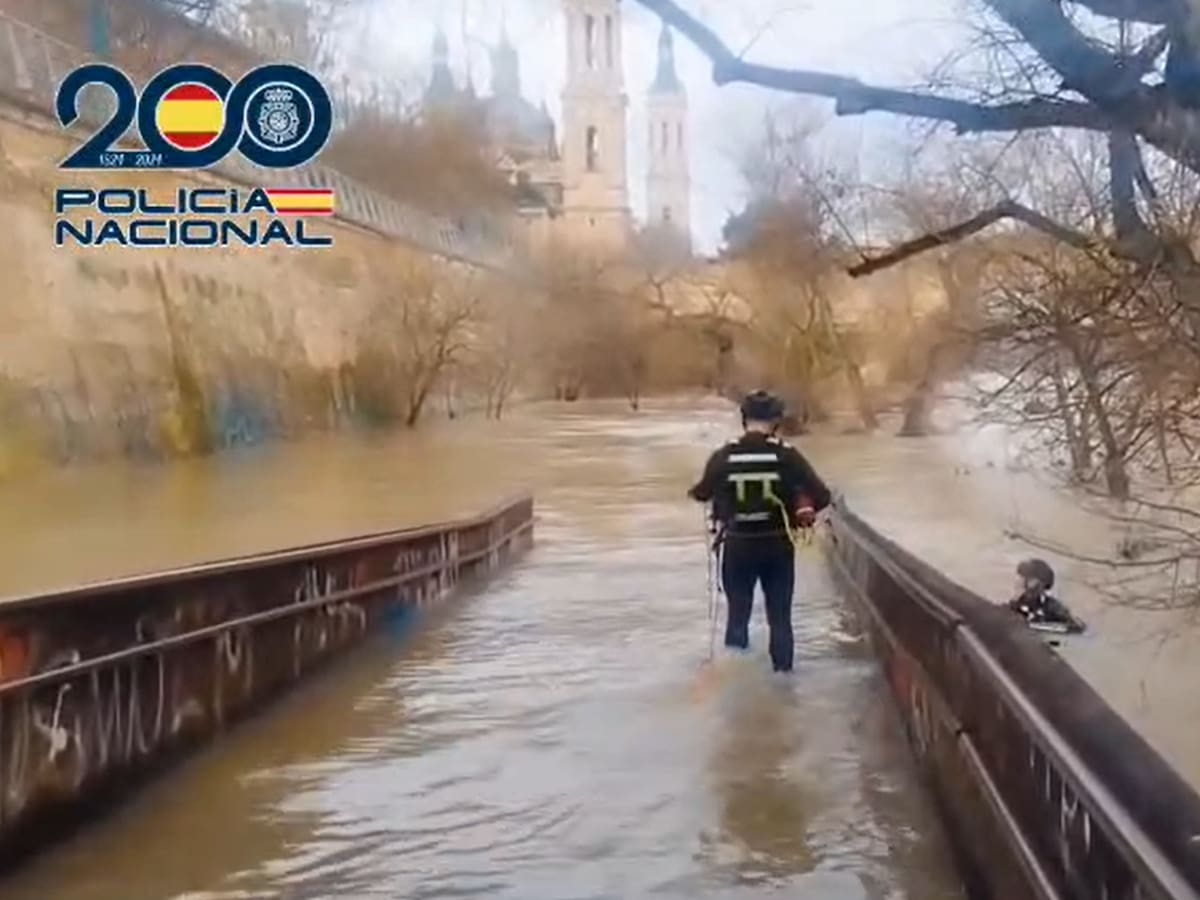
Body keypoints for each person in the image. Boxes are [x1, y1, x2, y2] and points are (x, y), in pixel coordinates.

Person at [687, 390, 833, 672]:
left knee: (737, 617)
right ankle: (784, 684)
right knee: (780, 619)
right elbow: (823, 496)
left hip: (738, 546)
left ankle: (735, 680)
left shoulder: (724, 455)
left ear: (744, 419)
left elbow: (701, 493)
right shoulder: (787, 456)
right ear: (776, 421)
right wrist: (800, 504)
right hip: (777, 546)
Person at [1007, 558, 1086, 634]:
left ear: (1035, 582)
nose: (1017, 580)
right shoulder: (1017, 604)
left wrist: (1036, 627)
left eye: (1022, 577)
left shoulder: (1052, 606)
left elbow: (1077, 626)